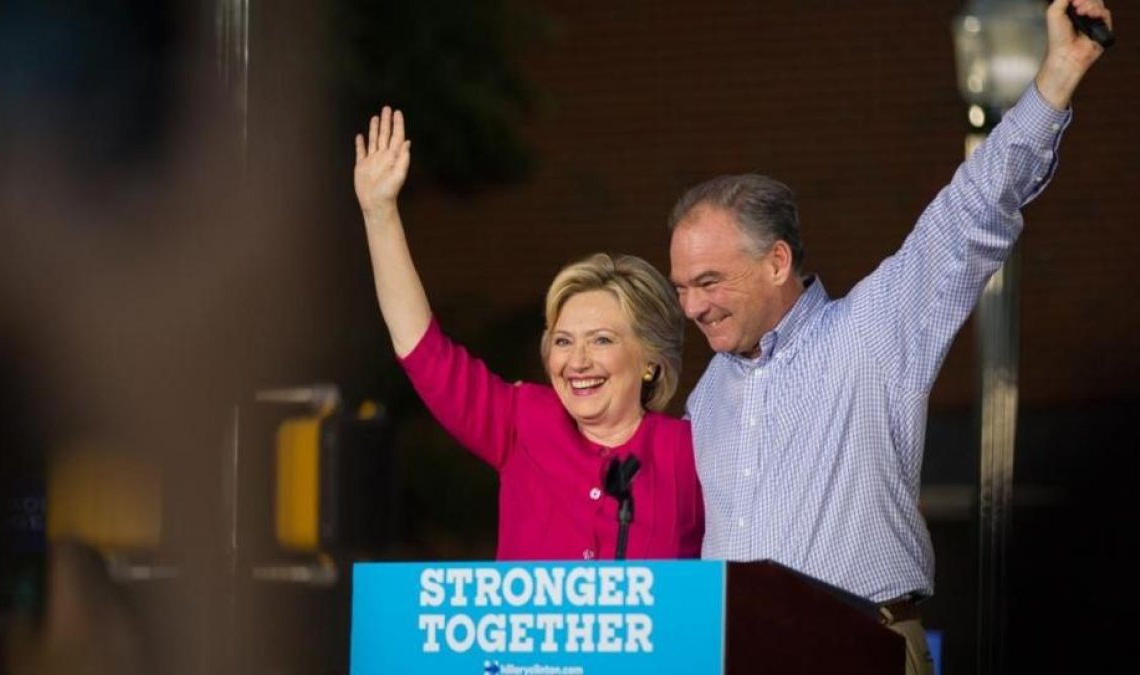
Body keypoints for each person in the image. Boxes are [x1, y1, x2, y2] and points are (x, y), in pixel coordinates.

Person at [665, 0, 1111, 672]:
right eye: (680, 287)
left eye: (709, 281)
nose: (692, 306)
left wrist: (1059, 73)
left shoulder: (872, 331)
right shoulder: (706, 397)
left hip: (859, 647)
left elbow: (972, 209)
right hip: (738, 656)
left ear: (777, 261)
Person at [354, 107, 703, 561]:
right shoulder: (524, 424)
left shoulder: (690, 454)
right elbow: (424, 353)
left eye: (601, 340)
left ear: (651, 360)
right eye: (563, 341)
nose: (576, 361)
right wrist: (379, 214)